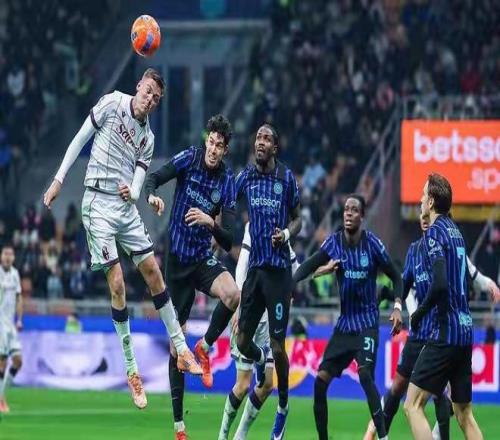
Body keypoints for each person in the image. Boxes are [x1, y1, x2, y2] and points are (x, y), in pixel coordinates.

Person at [43, 68, 201, 410]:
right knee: (117, 284)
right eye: (148, 91)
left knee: (154, 273)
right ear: (138, 86)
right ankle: (132, 370)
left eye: (156, 97)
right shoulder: (112, 103)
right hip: (97, 202)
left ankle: (182, 348)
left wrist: (137, 192)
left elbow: (139, 179)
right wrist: (58, 180)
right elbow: (80, 138)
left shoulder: (148, 137)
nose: (150, 99)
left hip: (124, 207)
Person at [144, 114, 240, 440]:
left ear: (225, 150)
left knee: (233, 294)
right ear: (206, 141)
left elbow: (230, 238)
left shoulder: (227, 181)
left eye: (219, 145)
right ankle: (179, 426)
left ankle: (205, 345)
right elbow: (155, 177)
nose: (213, 149)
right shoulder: (190, 158)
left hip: (201, 259)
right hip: (177, 266)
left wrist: (211, 222)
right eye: (210, 142)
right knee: (176, 350)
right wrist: (152, 195)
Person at [364, 212, 499, 440]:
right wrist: (402, 308)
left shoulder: (451, 249)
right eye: (422, 213)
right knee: (400, 387)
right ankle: (374, 432)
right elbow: (405, 286)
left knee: (435, 400)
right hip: (420, 333)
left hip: (444, 332)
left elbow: (472, 274)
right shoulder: (415, 251)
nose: (425, 218)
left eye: (430, 214)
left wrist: (489, 285)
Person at [293, 194, 403, 440]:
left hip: (367, 324)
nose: (349, 213)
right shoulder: (334, 243)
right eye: (346, 209)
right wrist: (290, 285)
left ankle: (383, 437)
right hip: (344, 327)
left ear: (362, 216)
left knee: (365, 375)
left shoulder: (372, 244)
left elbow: (396, 276)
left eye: (354, 210)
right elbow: (309, 264)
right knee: (320, 381)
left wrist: (397, 306)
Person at [404, 174, 484, 440]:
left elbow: (439, 284)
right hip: (465, 330)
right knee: (464, 413)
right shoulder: (456, 233)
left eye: (423, 194)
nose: (420, 199)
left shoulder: (434, 234)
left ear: (431, 201)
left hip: (446, 332)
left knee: (412, 405)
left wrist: (418, 313)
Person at [235, 124, 302, 440]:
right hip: (255, 273)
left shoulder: (286, 178)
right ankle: (260, 360)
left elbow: (298, 218)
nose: (260, 142)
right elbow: (226, 198)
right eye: (258, 138)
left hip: (278, 274)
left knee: (278, 345)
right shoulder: (246, 176)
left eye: (266, 139)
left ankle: (283, 408)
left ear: (275, 147)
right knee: (242, 343)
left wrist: (286, 233)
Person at [218, 222, 300, 440]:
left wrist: (319, 269)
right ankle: (222, 435)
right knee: (243, 385)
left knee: (267, 384)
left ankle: (239, 436)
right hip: (249, 310)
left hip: (269, 319)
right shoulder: (254, 225)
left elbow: (297, 268)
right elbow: (242, 264)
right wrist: (238, 304)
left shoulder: (283, 236)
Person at [0, 244, 23, 413]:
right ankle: (0, 400)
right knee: (2, 361)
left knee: (18, 361)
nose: (8, 257)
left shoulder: (15, 274)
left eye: (10, 254)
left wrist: (19, 319)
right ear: (1, 256)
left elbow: (19, 298)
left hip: (11, 323)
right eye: (5, 254)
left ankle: (1, 395)